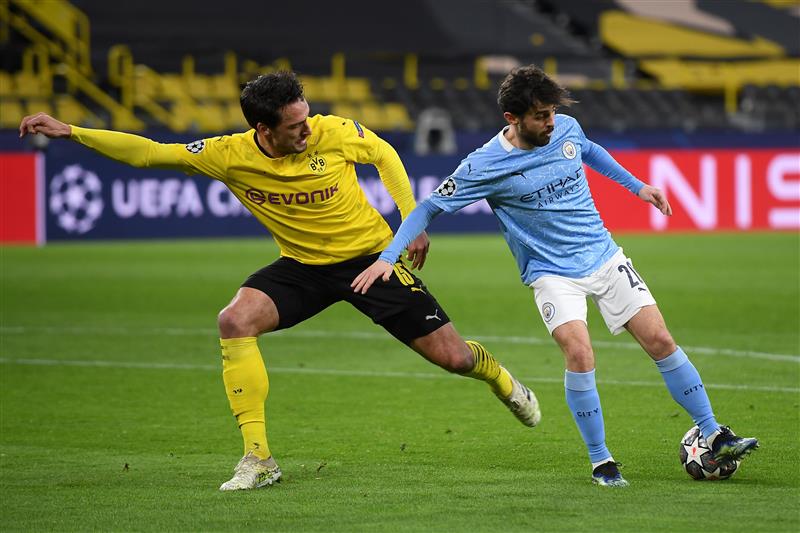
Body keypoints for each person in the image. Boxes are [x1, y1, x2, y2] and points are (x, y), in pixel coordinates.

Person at [19, 71, 541, 491]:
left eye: (306, 118)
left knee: (452, 358)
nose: (307, 130)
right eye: (295, 126)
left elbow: (383, 152)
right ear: (265, 131)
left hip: (369, 259)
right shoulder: (230, 155)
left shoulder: (333, 132)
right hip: (301, 268)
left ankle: (498, 376)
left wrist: (410, 222)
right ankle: (258, 458)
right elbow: (154, 152)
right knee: (234, 320)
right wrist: (73, 131)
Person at [352, 65, 759, 487]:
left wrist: (637, 186)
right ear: (512, 118)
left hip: (603, 255)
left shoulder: (565, 128)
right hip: (551, 274)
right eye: (541, 116)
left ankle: (713, 432)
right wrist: (388, 256)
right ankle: (602, 462)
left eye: (551, 112)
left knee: (661, 340)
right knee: (580, 353)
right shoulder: (484, 165)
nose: (551, 122)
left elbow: (589, 149)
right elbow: (427, 207)